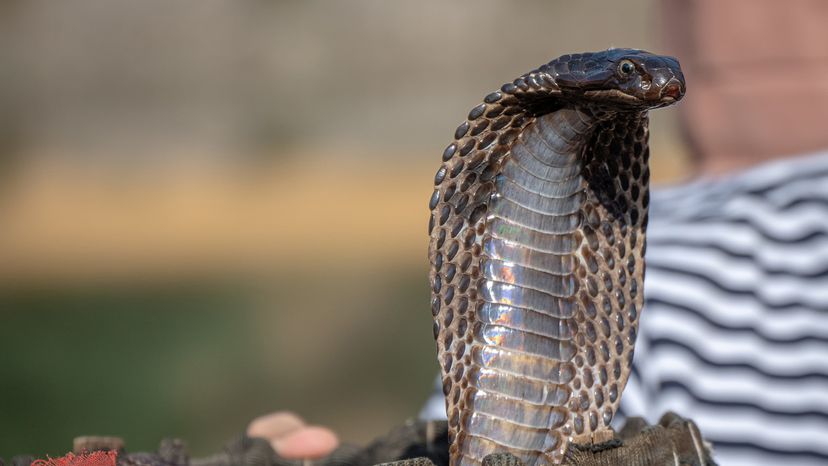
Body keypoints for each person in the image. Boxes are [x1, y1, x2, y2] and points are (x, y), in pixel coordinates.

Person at [250, 1, 828, 464]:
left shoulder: (634, 240)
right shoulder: (667, 260)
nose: (661, 82)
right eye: (631, 73)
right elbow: (472, 421)